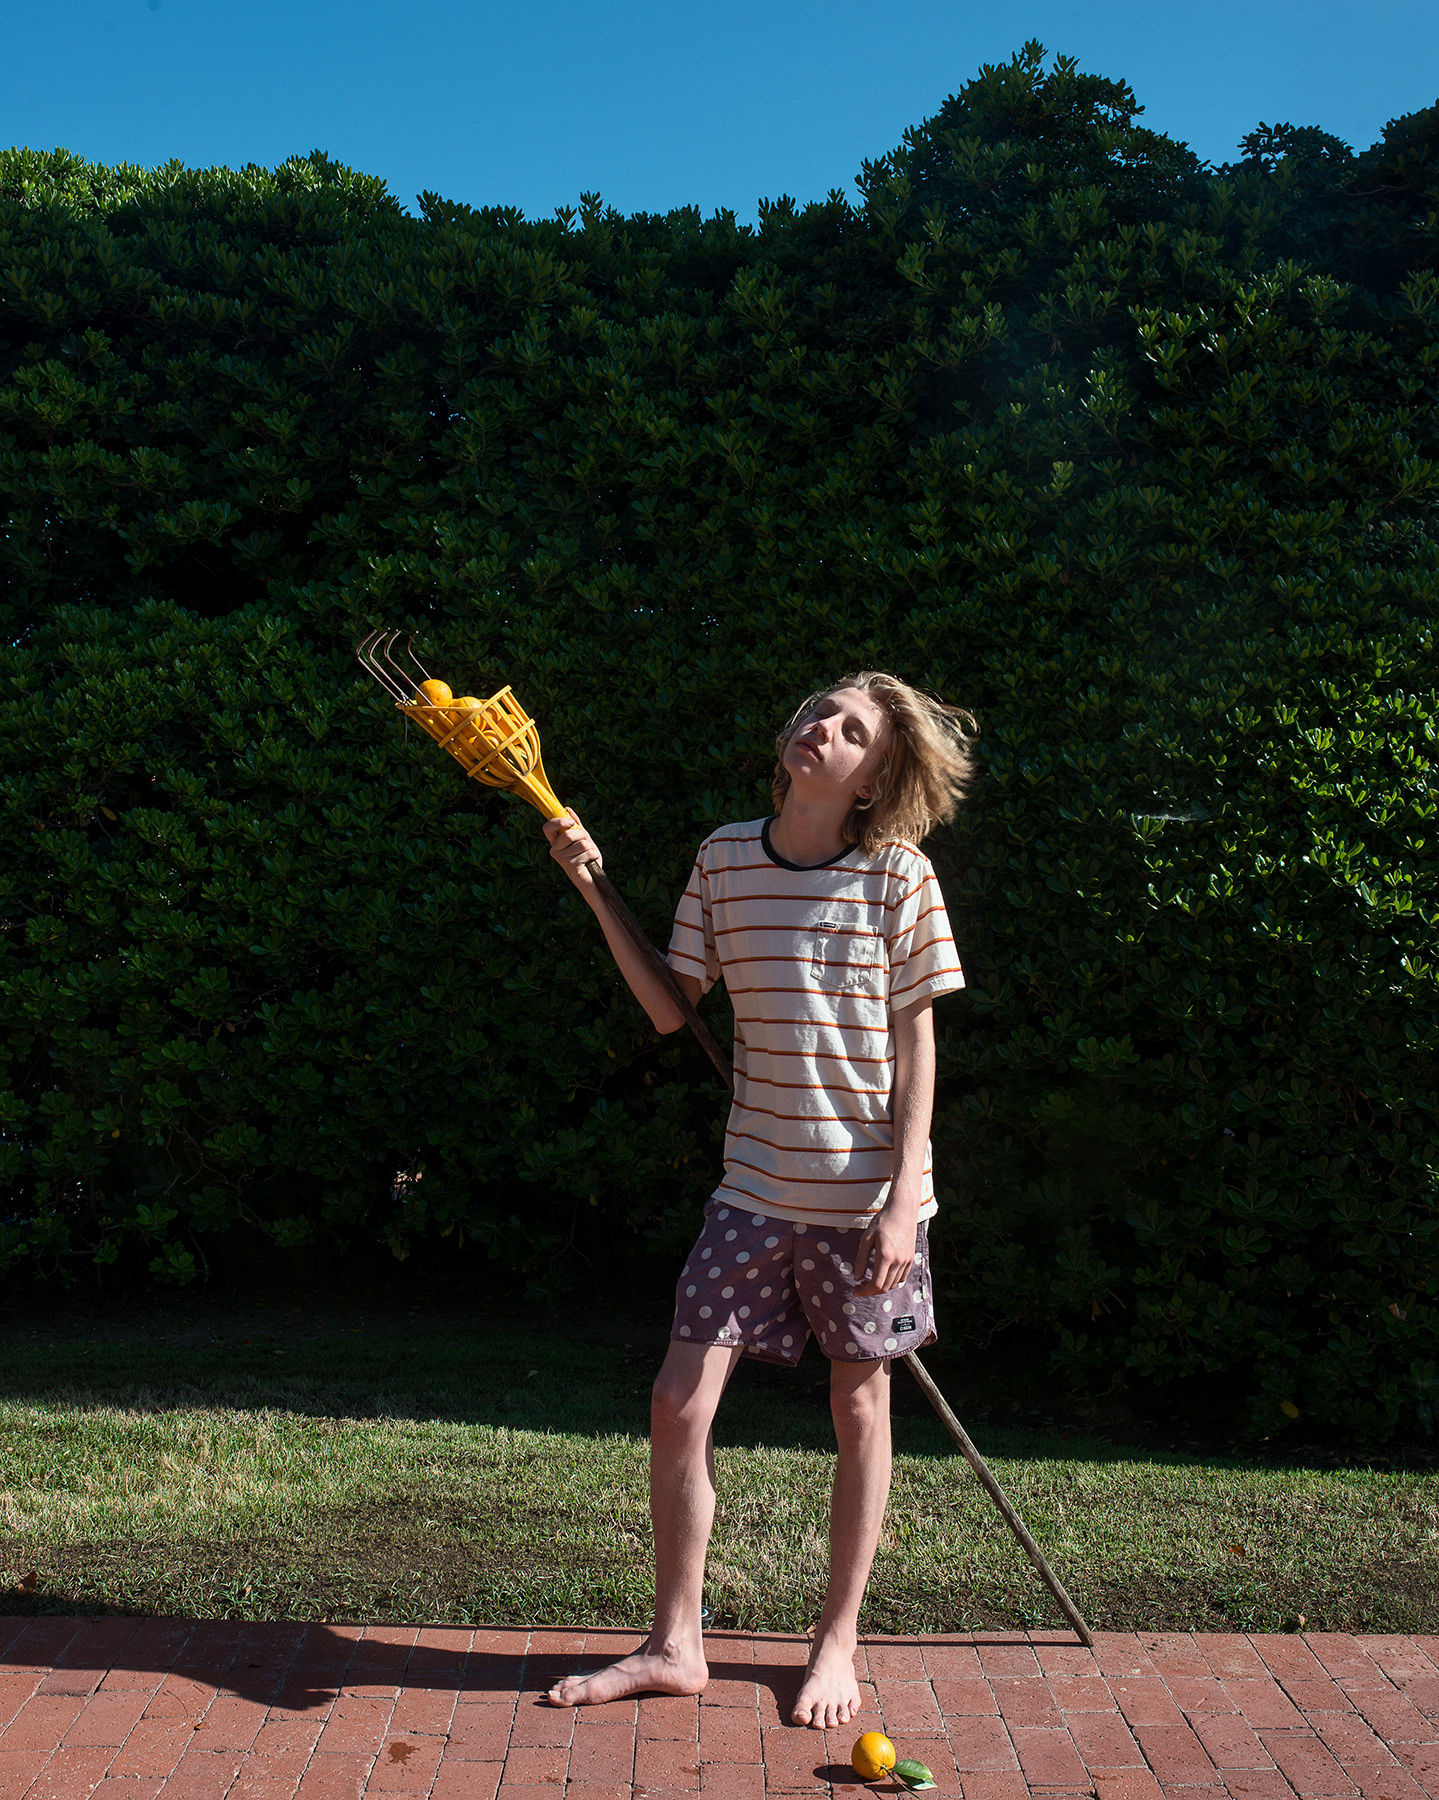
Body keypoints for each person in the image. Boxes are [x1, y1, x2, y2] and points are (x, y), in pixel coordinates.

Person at [541, 672, 976, 1729]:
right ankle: (673, 1645)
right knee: (675, 1402)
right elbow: (670, 1006)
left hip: (866, 1200)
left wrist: (900, 1200)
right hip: (752, 1188)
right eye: (819, 710)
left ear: (872, 779)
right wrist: (594, 889)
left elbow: (917, 1048)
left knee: (857, 1407)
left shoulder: (898, 875)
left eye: (851, 729)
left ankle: (836, 1640)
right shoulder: (726, 857)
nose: (821, 727)